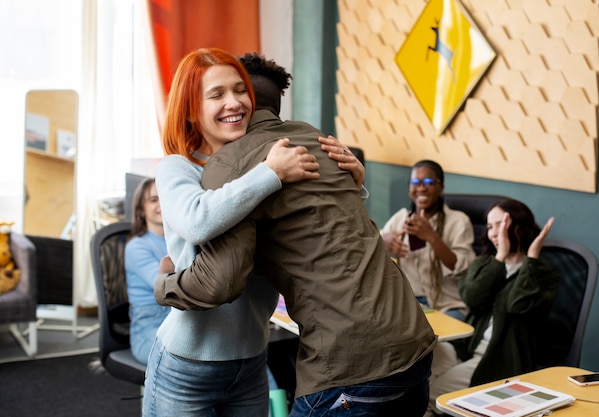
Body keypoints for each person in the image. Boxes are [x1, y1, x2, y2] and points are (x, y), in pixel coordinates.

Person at [155, 52, 437, 416]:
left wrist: (354, 184)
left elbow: (322, 233)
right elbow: (198, 223)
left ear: (253, 99)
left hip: (281, 354)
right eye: (216, 94)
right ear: (190, 108)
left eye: (239, 90)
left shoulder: (271, 156)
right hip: (193, 354)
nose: (233, 102)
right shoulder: (289, 148)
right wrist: (270, 173)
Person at [425, 198, 561, 416]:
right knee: (419, 373)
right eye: (490, 227)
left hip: (496, 359)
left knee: (431, 396)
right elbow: (472, 298)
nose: (494, 232)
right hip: (465, 347)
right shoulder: (485, 263)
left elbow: (516, 305)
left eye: (501, 224)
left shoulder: (543, 274)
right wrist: (499, 258)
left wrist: (532, 259)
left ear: (520, 225)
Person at [380, 160, 475, 320]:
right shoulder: (402, 217)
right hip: (409, 304)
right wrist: (383, 239)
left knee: (437, 342)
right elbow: (370, 248)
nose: (421, 188)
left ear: (441, 187)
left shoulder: (459, 221)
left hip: (447, 306)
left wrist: (432, 237)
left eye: (429, 182)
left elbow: (462, 268)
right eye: (415, 182)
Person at [124, 177, 170, 364]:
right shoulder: (136, 247)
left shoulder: (184, 240)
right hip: (149, 329)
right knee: (194, 361)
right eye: (153, 200)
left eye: (164, 197)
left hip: (182, 320)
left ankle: (270, 393)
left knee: (236, 348)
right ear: (141, 210)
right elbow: (167, 287)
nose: (161, 204)